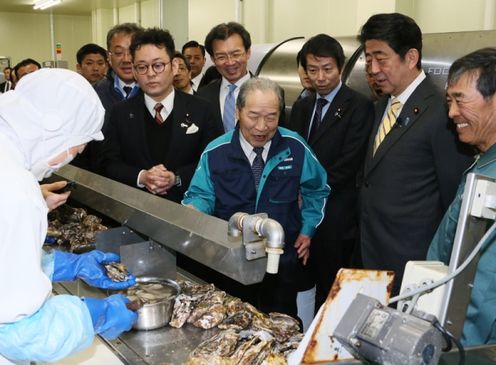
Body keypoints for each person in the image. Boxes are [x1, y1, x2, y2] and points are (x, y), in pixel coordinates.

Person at [0, 69, 137, 364]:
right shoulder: (17, 192)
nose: (71, 156)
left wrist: (63, 264)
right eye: (78, 147)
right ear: (55, 132)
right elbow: (22, 335)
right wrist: (93, 314)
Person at [183, 77, 330, 318]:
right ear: (238, 112)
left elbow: (318, 190)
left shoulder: (295, 147)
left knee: (281, 326)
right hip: (230, 261)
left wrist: (308, 229)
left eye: (271, 117)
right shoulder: (216, 151)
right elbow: (201, 195)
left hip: (281, 260)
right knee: (232, 323)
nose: (262, 126)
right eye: (253, 116)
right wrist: (193, 211)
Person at [358, 13, 473, 294]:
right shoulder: (382, 107)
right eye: (368, 59)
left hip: (413, 269)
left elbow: (452, 202)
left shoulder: (441, 114)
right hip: (372, 257)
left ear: (410, 57)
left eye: (380, 58)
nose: (372, 69)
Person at [288, 34, 374, 311]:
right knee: (302, 285)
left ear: (341, 67)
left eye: (327, 69)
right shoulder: (302, 106)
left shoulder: (359, 106)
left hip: (336, 215)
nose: (320, 77)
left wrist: (309, 193)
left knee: (332, 290)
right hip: (301, 215)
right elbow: (294, 154)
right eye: (312, 70)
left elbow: (349, 164)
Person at [427, 47, 496, 347]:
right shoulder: (483, 162)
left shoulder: (491, 181)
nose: (452, 113)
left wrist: (457, 351)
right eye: (449, 101)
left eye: (460, 100)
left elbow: (484, 288)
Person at [103, 28, 218, 203]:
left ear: (174, 67)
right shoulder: (120, 113)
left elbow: (212, 162)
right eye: (142, 67)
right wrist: (142, 177)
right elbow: (109, 163)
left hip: (188, 208)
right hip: (135, 209)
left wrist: (175, 178)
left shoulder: (202, 110)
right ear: (134, 71)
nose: (150, 74)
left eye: (158, 65)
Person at [73, 23, 143, 174]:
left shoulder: (157, 94)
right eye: (118, 53)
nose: (126, 59)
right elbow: (80, 150)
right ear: (109, 57)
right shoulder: (91, 95)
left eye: (131, 51)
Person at [198, 22, 253, 135]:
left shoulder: (270, 93)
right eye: (221, 57)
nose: (230, 62)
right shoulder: (203, 96)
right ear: (213, 59)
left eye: (236, 54)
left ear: (248, 53)